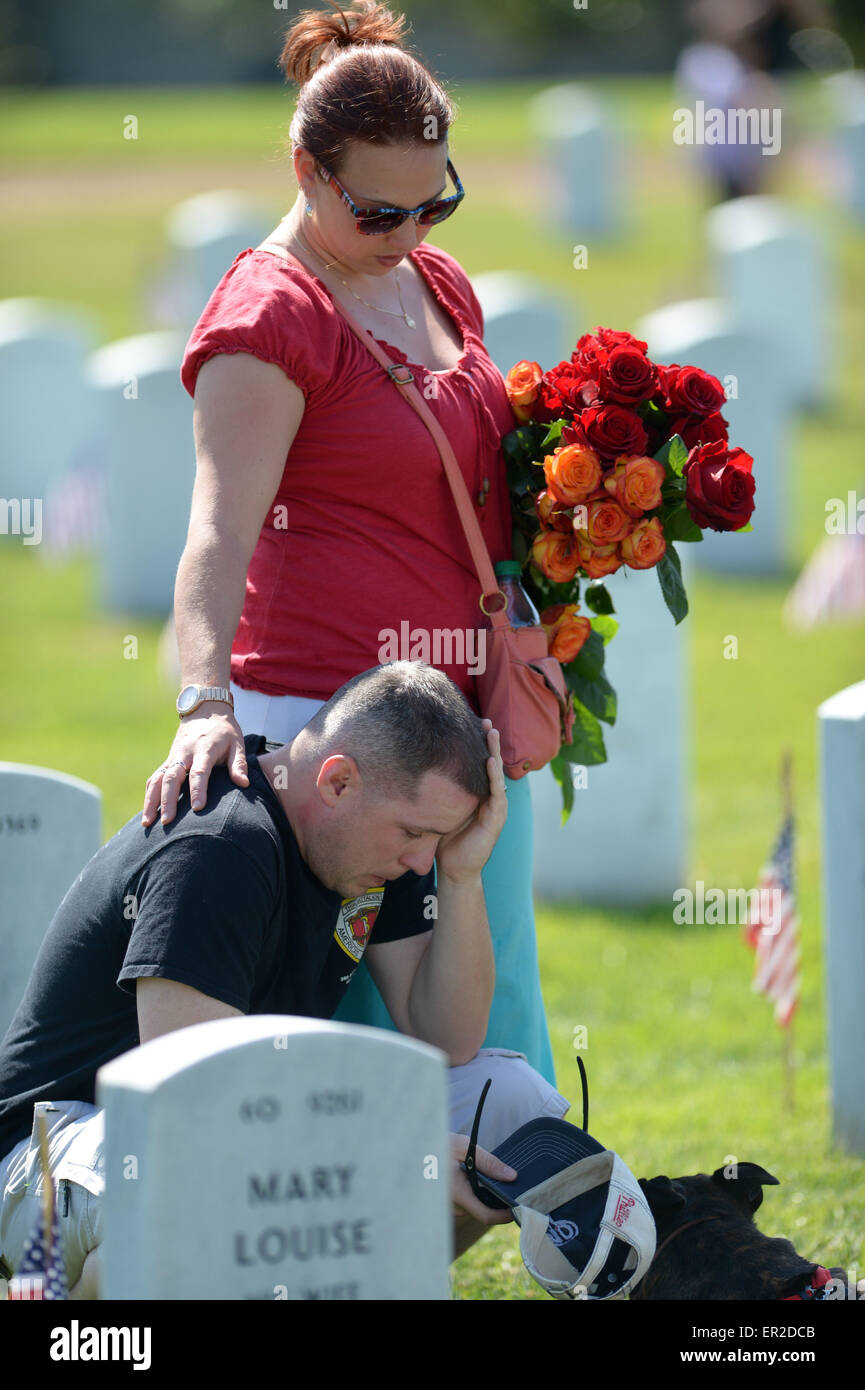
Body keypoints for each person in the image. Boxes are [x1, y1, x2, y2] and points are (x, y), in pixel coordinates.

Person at [140, 0, 557, 1087]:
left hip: (463, 718)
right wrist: (202, 703)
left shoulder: (438, 282)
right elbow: (217, 535)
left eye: (437, 204)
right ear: (306, 168)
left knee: (489, 987)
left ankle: (507, 1215)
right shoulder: (267, 318)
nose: (411, 235)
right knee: (373, 1029)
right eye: (378, 211)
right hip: (335, 733)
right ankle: (363, 1248)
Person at [0, 663, 571, 1299]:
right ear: (338, 780)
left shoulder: (385, 845)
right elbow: (196, 1100)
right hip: (58, 1148)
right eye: (415, 834)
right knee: (194, 1191)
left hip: (209, 1123)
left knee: (510, 1107)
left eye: (435, 841)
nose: (419, 862)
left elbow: (451, 1040)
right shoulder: (219, 847)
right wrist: (404, 1147)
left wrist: (462, 877)